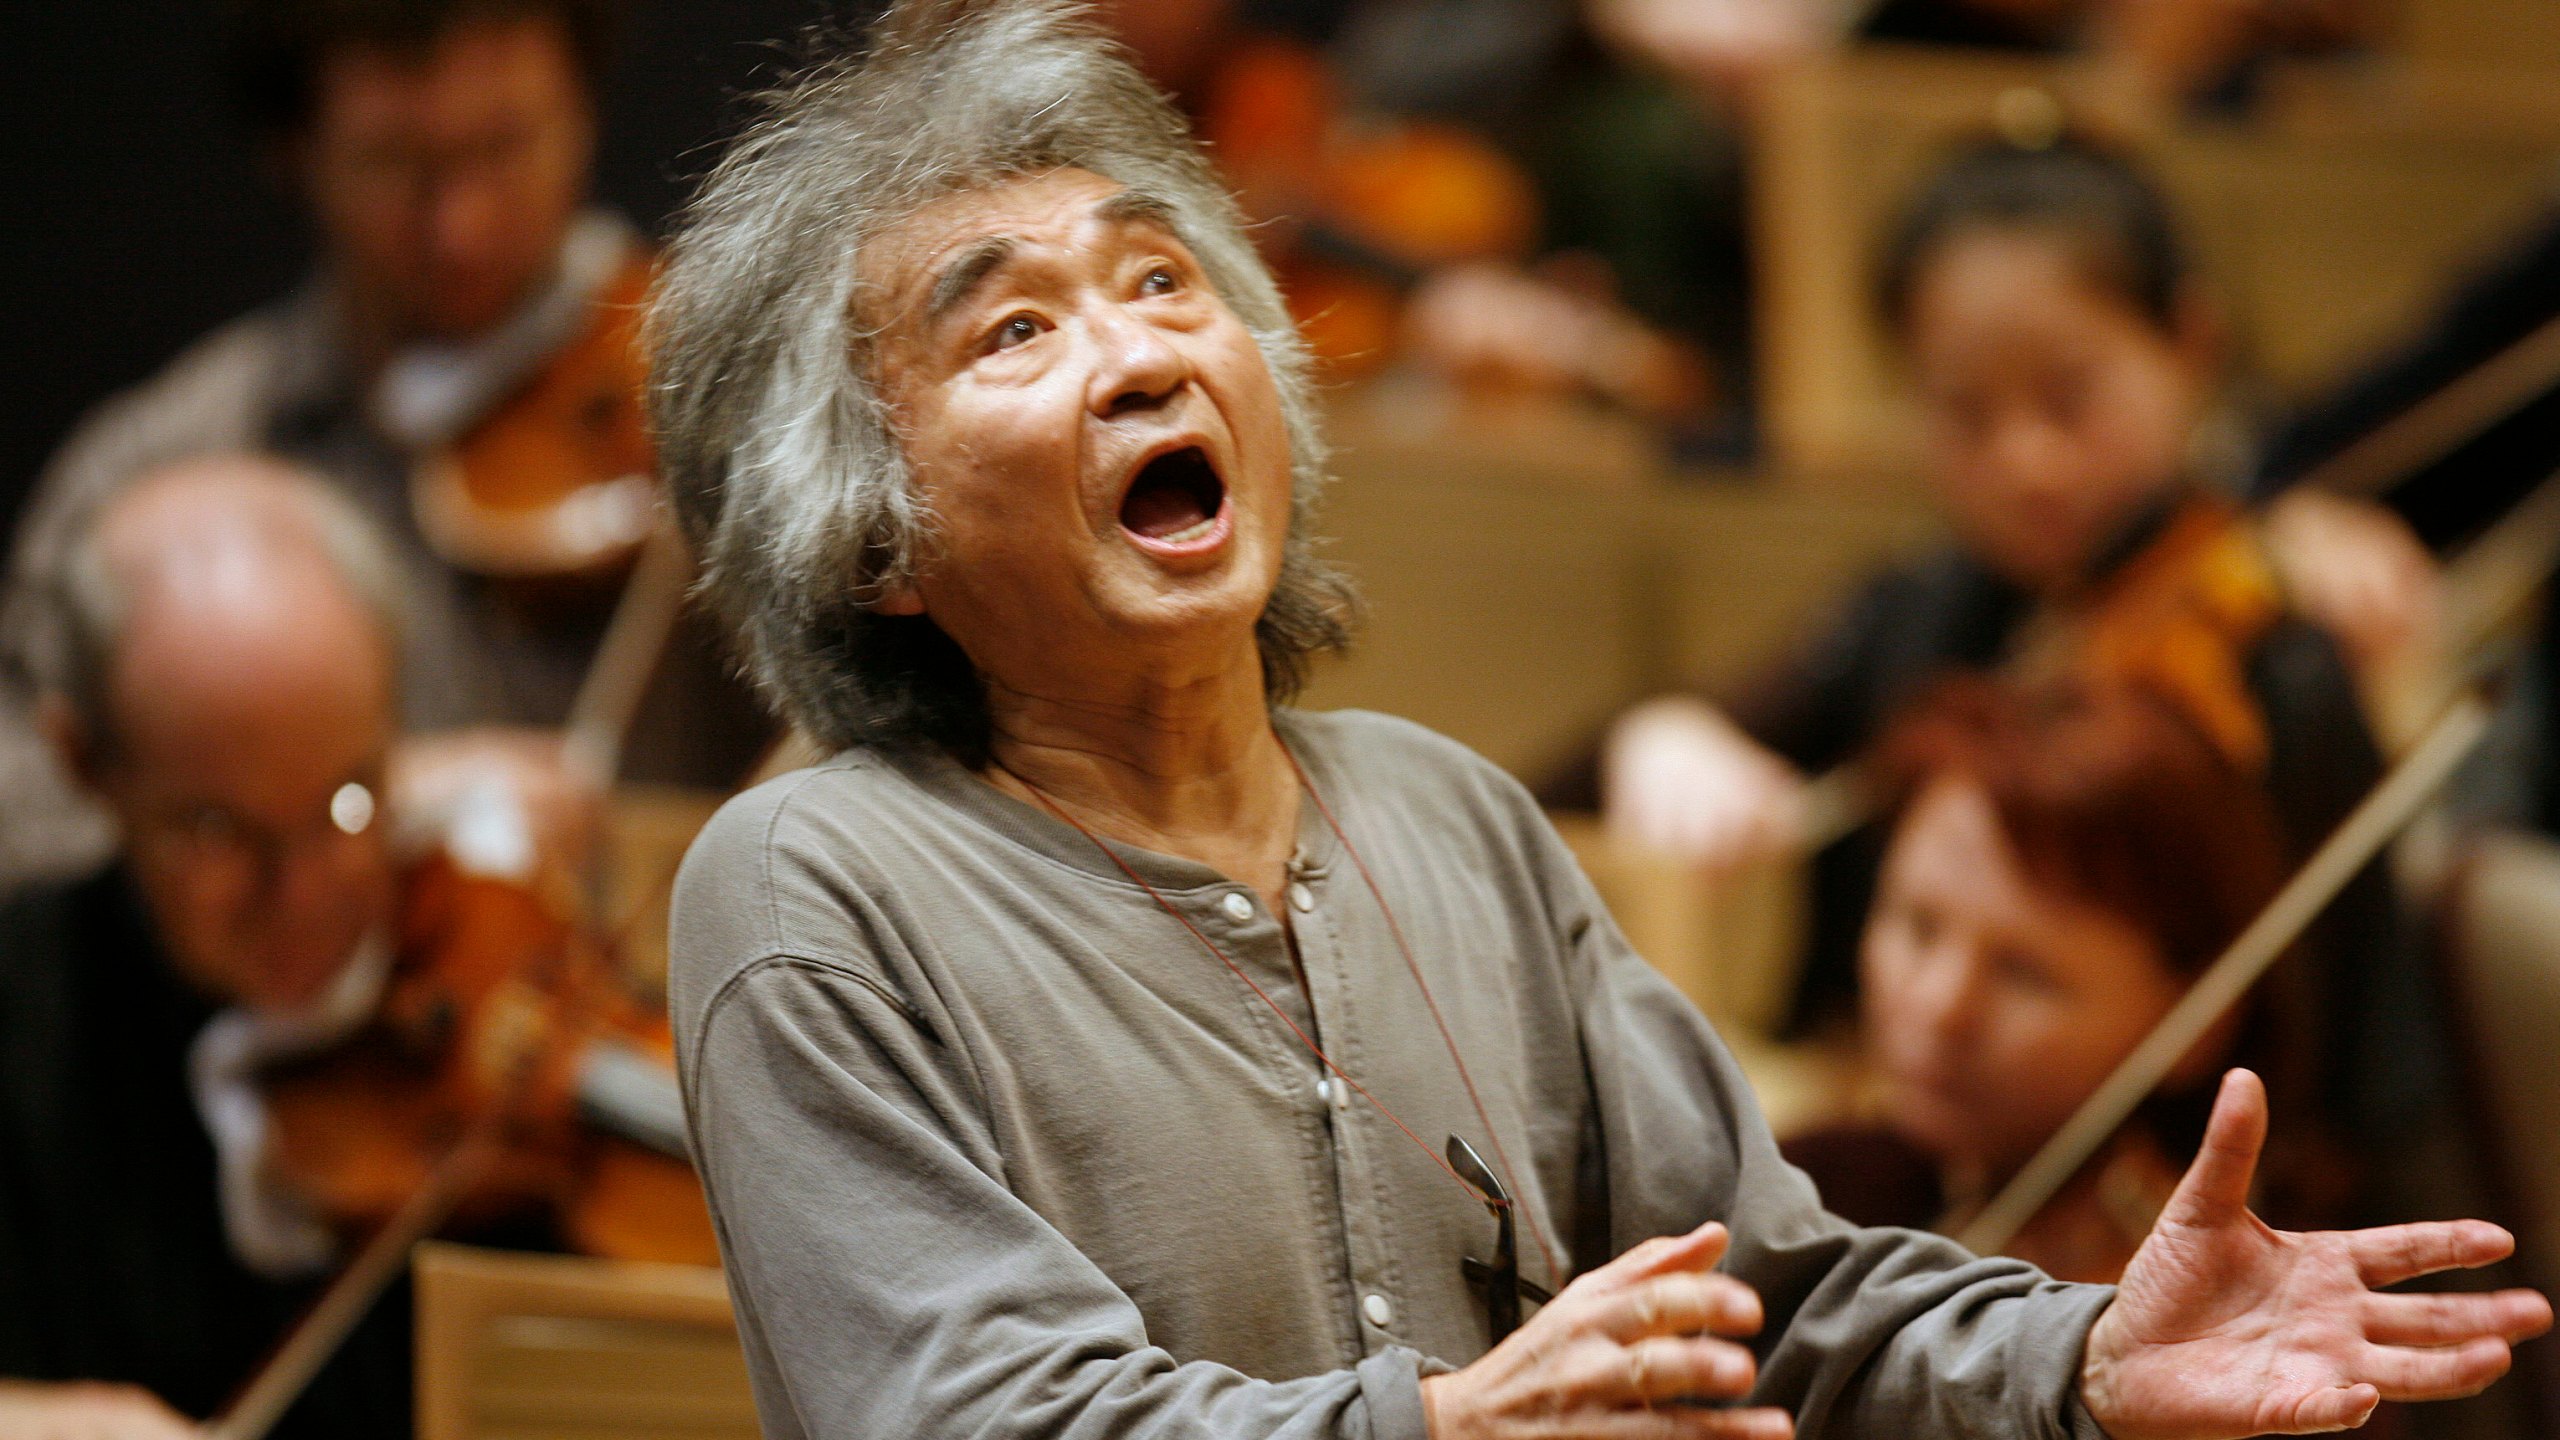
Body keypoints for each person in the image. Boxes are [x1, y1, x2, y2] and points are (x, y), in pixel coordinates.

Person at [649, 6, 2546, 1437]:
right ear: (873, 536)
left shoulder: (1451, 817)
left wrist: (2082, 1355)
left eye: (1163, 280)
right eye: (1015, 332)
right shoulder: (816, 885)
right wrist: (1451, 1424)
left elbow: (1779, 1305)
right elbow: (986, 1419)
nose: (1143, 345)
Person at [1543, 138, 2438, 1116]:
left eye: (2067, 395)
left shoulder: (2277, 651)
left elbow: (2369, 1056)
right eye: (1965, 411)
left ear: (2188, 344)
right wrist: (1665, 734)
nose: (2025, 462)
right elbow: (1562, 784)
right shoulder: (1930, 601)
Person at [0, 0, 766, 895]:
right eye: (396, 166)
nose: (461, 225)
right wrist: (354, 797)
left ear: (584, 106)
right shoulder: (169, 465)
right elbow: (20, 802)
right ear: (293, 154)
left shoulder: (730, 388)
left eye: (507, 143)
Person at [0, 455, 420, 1438]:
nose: (306, 892)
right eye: (217, 833)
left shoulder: (495, 975)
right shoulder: (19, 1015)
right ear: (83, 763)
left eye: (347, 801)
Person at [1783, 676, 2325, 1284]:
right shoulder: (1814, 1183)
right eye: (1917, 926)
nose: (1940, 1006)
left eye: (2025, 975)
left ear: (2198, 1028)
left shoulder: (2187, 1290)